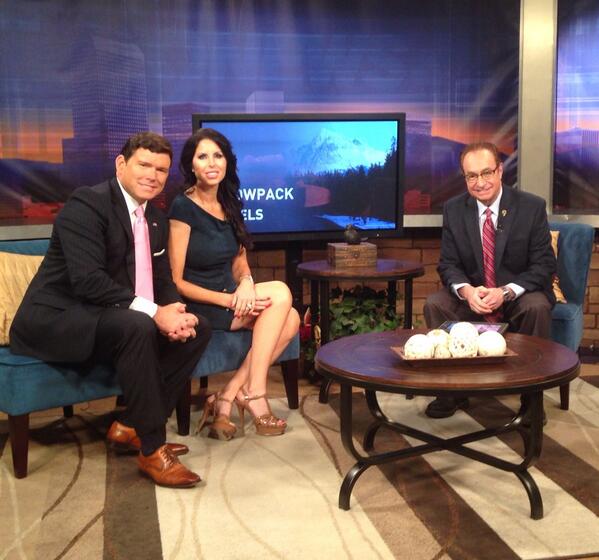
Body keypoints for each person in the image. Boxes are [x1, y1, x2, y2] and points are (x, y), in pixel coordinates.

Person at [10, 132, 211, 487]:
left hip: (104, 314)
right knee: (138, 325)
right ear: (121, 164)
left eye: (161, 170)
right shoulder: (86, 205)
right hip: (55, 319)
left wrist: (174, 311)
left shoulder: (155, 218)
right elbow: (88, 282)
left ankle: (132, 425)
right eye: (144, 165)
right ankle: (152, 449)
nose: (153, 175)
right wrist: (155, 313)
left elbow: (162, 278)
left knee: (199, 327)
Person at [168, 128, 300, 439]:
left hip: (231, 296)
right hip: (202, 303)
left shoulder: (230, 203)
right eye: (203, 156)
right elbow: (176, 281)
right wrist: (228, 300)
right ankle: (254, 394)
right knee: (281, 292)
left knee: (292, 317)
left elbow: (239, 262)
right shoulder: (182, 207)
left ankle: (227, 396)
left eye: (218, 155)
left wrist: (247, 284)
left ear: (227, 162)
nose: (212, 163)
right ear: (191, 165)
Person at [423, 141, 556, 418]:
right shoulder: (454, 209)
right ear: (465, 178)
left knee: (537, 306)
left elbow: (544, 264)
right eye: (472, 176)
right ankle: (451, 392)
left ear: (500, 171)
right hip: (475, 296)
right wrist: (467, 292)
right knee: (435, 303)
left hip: (516, 297)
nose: (480, 182)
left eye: (486, 173)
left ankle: (531, 399)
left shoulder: (531, 207)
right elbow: (448, 264)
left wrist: (505, 292)